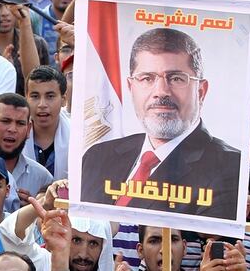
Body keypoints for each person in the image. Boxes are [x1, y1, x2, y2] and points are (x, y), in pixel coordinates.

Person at [80, 27, 241, 219]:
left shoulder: (230, 167)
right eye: (147, 78)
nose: (161, 91)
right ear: (131, 87)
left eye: (176, 78)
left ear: (200, 91)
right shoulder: (98, 156)